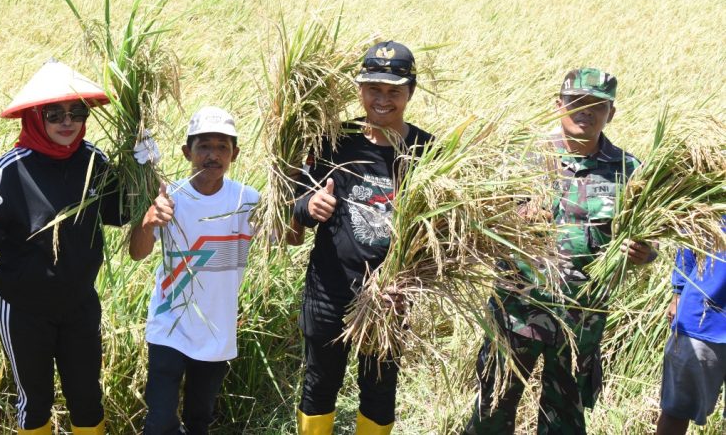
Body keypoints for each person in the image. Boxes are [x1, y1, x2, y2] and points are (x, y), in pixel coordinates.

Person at [464, 68, 656, 434]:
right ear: (558, 105)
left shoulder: (629, 171)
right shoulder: (520, 158)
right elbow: (475, 223)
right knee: (491, 412)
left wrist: (643, 254)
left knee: (564, 421)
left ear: (610, 113)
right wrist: (511, 219)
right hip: (515, 314)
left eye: (596, 105)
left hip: (580, 323)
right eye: (576, 102)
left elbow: (650, 247)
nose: (585, 111)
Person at [0, 59, 150, 435]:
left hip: (79, 302)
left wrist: (142, 172)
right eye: (54, 113)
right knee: (35, 401)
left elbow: (120, 212)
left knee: (87, 396)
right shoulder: (12, 168)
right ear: (35, 116)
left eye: (76, 111)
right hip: (24, 307)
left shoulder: (93, 160)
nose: (67, 121)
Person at [291, 42, 434, 435]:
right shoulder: (334, 141)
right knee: (320, 384)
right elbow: (296, 206)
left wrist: (408, 282)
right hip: (329, 290)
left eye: (393, 91)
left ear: (411, 91)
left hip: (389, 298)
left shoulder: (428, 152)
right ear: (360, 90)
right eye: (374, 88)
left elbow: (442, 236)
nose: (382, 99)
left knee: (379, 389)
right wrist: (310, 206)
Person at [129, 106, 260, 435]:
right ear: (188, 151)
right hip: (169, 326)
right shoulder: (169, 199)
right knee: (159, 423)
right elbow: (137, 252)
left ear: (235, 154)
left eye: (222, 147)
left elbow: (288, 235)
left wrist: (294, 183)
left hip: (217, 331)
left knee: (199, 420)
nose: (212, 155)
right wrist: (148, 220)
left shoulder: (248, 200)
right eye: (204, 146)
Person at [655, 218, 726, 435]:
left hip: (701, 320)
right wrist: (678, 291)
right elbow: (691, 237)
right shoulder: (714, 190)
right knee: (675, 412)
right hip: (702, 317)